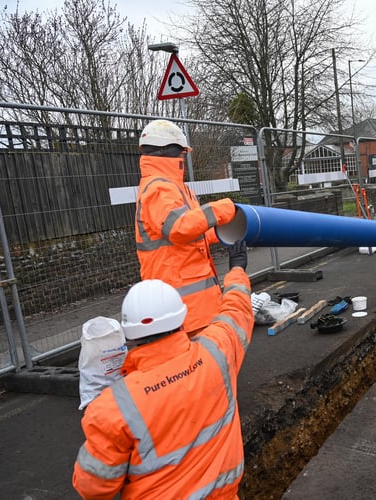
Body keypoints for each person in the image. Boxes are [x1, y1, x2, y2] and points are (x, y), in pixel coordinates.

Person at [72, 240, 253, 499]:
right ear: (182, 320)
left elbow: (93, 488)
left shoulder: (112, 408)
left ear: (130, 335)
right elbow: (237, 310)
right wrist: (237, 268)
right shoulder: (217, 352)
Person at [135, 119, 239, 335]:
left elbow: (191, 231)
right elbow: (178, 228)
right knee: (200, 364)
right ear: (169, 152)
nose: (184, 157)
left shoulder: (173, 187)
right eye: (182, 152)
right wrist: (221, 209)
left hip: (193, 305)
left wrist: (221, 234)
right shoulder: (160, 188)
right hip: (180, 307)